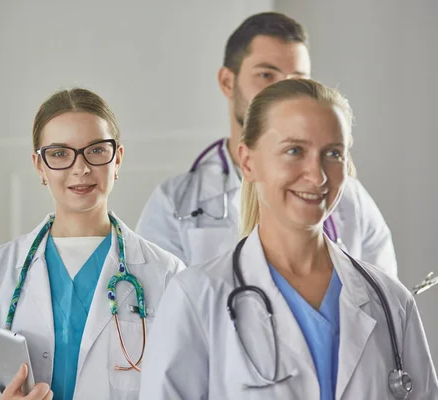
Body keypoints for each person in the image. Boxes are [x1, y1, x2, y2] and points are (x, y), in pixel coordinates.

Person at [139, 79, 437, 399]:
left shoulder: (392, 302)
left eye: (333, 153)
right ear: (248, 161)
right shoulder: (196, 297)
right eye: (294, 151)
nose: (317, 175)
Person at [0, 88, 186, 400]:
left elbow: (187, 385)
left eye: (95, 150)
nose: (80, 168)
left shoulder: (166, 274)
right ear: (39, 166)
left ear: (117, 158)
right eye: (60, 154)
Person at [135, 12, 398, 276]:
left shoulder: (349, 199)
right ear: (228, 82)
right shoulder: (174, 202)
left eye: (297, 80)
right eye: (266, 75)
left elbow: (384, 302)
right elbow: (162, 307)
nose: (283, 92)